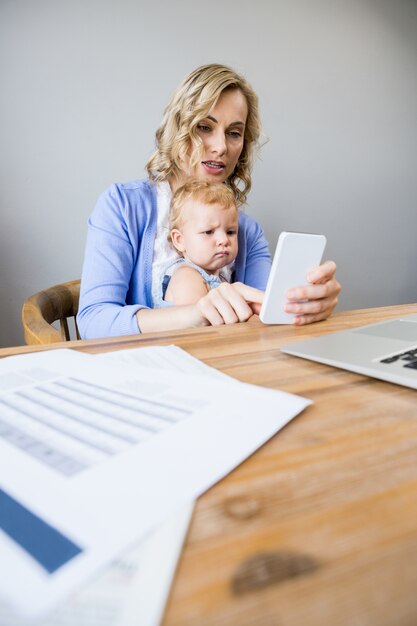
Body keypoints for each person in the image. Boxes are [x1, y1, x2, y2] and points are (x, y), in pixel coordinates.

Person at [78, 63, 340, 339]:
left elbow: (268, 327)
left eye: (234, 133)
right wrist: (193, 315)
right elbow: (93, 323)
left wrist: (304, 305)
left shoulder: (247, 232)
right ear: (179, 127)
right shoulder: (123, 206)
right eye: (205, 127)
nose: (221, 147)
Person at [155, 180, 239, 307]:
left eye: (230, 232)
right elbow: (202, 322)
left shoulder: (219, 279)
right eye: (208, 232)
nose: (224, 240)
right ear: (179, 240)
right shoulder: (186, 277)